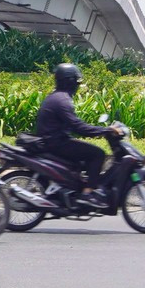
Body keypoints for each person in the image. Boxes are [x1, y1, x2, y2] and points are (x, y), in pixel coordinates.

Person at [34, 64, 120, 198]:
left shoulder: (56, 96)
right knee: (98, 154)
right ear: (70, 82)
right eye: (76, 82)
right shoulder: (62, 100)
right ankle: (88, 193)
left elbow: (75, 125)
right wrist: (105, 130)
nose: (78, 86)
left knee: (83, 158)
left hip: (52, 140)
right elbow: (79, 127)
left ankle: (76, 186)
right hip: (56, 143)